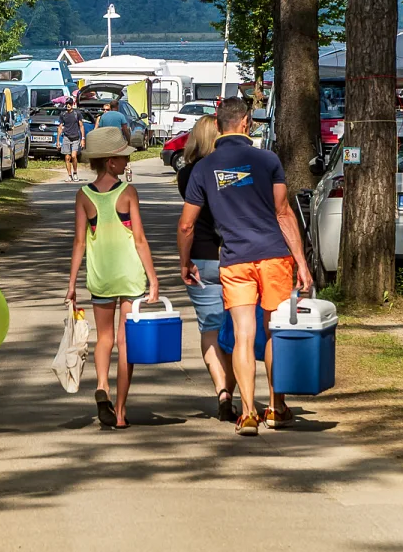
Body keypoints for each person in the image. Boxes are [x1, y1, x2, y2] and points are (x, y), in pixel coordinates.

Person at [178, 97, 314, 436]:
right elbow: (284, 213)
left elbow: (186, 225)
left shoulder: (203, 169)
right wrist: (302, 264)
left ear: (219, 124)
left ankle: (249, 413)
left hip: (235, 259)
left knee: (242, 334)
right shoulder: (267, 159)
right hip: (273, 256)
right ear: (245, 122)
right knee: (272, 332)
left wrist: (185, 263)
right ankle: (276, 407)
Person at [65, 127, 159, 429]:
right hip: (129, 276)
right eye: (121, 158)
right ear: (109, 162)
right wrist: (153, 277)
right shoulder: (128, 192)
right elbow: (140, 239)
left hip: (100, 275)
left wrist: (71, 284)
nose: (126, 162)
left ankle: (102, 386)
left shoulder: (83, 196)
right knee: (125, 342)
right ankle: (119, 412)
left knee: (104, 338)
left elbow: (79, 242)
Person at [174, 115, 235, 421]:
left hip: (200, 257)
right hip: (234, 255)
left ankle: (222, 391)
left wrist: (183, 262)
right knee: (237, 328)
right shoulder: (231, 172)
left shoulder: (186, 175)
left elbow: (189, 222)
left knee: (210, 329)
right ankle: (236, 392)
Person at [56, 102, 85, 182]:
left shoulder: (77, 114)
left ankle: (75, 173)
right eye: (67, 104)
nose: (68, 105)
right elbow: (60, 127)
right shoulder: (63, 114)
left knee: (74, 156)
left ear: (72, 104)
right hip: (66, 137)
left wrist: (83, 139)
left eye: (70, 104)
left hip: (75, 137)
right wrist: (58, 141)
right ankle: (69, 175)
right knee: (67, 157)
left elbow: (81, 126)